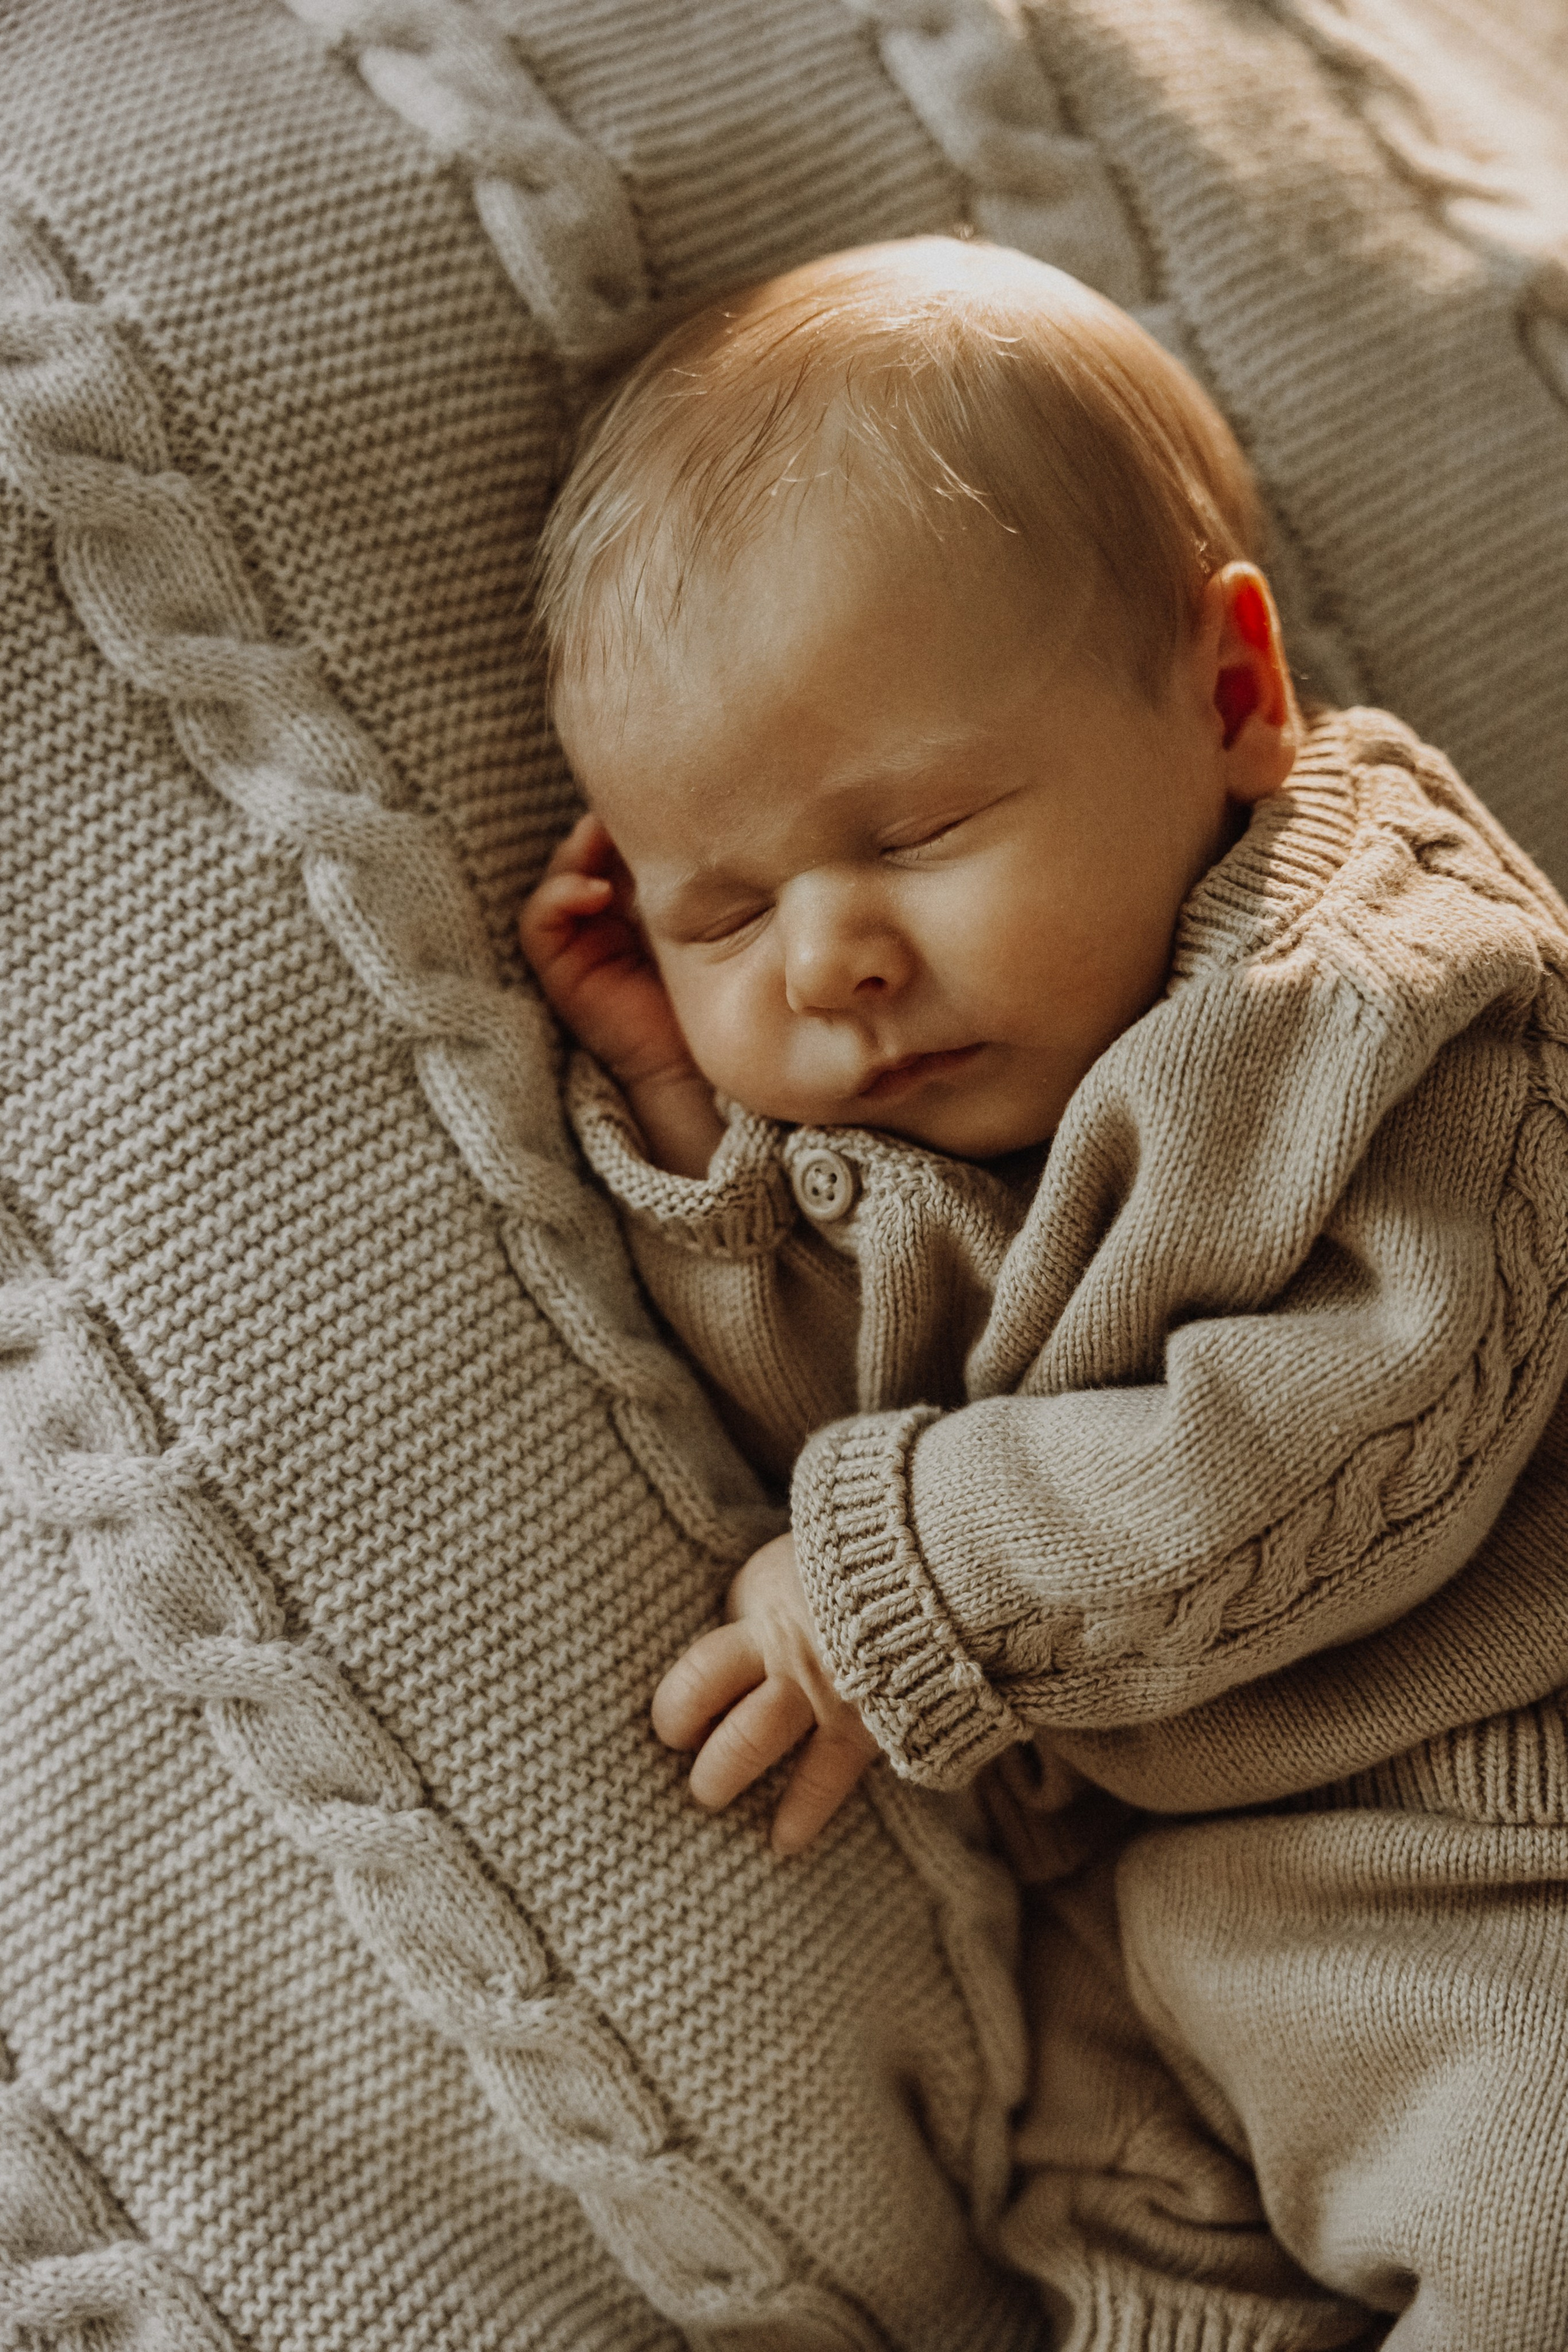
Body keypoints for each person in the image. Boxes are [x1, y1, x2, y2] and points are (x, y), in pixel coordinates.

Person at [519, 236, 1568, 2347]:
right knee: (1122, 2269)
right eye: (723, 907)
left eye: (911, 831)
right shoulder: (925, 1130)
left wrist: (907, 1583)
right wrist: (687, 1119)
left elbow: (1371, 1422)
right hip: (1162, 1928)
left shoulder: (1386, 1000)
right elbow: (838, 1410)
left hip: (1500, 1845)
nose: (825, 960)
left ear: (1231, 698)